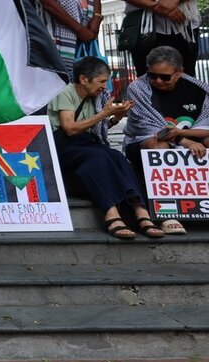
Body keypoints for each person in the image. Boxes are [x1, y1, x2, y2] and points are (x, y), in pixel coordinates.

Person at [49, 57, 161, 239]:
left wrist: (116, 118)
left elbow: (94, 128)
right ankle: (111, 213)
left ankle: (140, 210)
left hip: (86, 143)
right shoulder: (66, 93)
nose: (104, 86)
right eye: (101, 81)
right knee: (98, 157)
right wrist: (104, 114)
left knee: (116, 156)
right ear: (84, 79)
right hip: (65, 147)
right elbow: (70, 128)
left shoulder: (96, 98)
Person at [122, 46, 209, 234]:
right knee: (159, 145)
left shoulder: (201, 89)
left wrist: (185, 136)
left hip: (192, 138)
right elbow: (152, 128)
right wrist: (184, 140)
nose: (158, 81)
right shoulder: (138, 88)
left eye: (165, 77)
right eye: (152, 75)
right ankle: (166, 212)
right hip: (145, 142)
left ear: (179, 72)